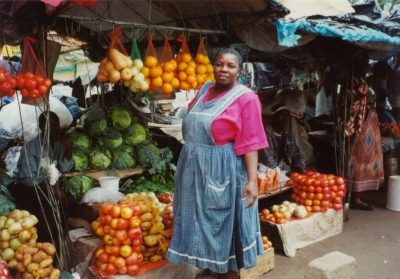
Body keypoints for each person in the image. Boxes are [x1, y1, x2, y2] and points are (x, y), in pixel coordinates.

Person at [166, 47, 268, 279]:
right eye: (220, 64)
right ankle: (212, 268)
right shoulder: (204, 90)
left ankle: (229, 274)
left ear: (239, 71)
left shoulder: (246, 99)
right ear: (213, 66)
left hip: (223, 170)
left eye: (231, 66)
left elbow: (251, 143)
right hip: (193, 168)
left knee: (222, 221)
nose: (224, 69)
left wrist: (251, 181)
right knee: (198, 220)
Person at [10, 111, 76, 243]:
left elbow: (65, 168)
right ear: (41, 127)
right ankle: (47, 241)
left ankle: (58, 235)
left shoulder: (57, 144)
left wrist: (69, 147)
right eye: (48, 125)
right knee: (49, 209)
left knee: (71, 201)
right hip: (27, 188)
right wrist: (53, 190)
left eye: (55, 125)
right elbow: (28, 179)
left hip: (46, 186)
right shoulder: (31, 147)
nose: (53, 129)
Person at [258, 104, 305, 174]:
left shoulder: (288, 135)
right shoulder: (265, 133)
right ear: (274, 117)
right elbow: (268, 160)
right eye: (282, 115)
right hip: (268, 171)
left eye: (287, 115)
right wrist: (288, 171)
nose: (286, 118)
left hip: (285, 172)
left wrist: (299, 167)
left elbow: (296, 154)